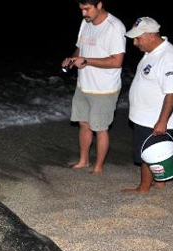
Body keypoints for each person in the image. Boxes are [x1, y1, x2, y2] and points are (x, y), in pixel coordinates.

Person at [120, 17, 173, 193]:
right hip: (145, 116)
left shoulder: (169, 57)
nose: (134, 43)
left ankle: (143, 188)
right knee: (155, 153)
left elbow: (172, 92)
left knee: (147, 154)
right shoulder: (152, 53)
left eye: (137, 38)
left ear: (150, 36)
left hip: (154, 118)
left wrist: (162, 121)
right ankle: (160, 183)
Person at [62, 0, 126, 174]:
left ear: (99, 5)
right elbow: (80, 47)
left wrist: (88, 61)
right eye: (81, 9)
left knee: (100, 128)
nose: (83, 14)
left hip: (104, 89)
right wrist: (72, 59)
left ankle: (98, 167)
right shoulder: (86, 22)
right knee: (84, 124)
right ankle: (84, 161)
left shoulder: (114, 27)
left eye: (87, 9)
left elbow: (117, 61)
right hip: (84, 84)